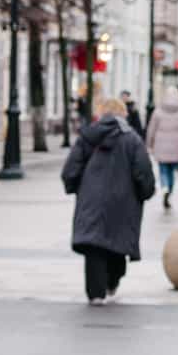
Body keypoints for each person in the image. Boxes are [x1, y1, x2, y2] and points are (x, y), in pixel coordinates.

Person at [63, 95, 156, 305]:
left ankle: (95, 293)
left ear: (101, 113)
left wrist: (75, 186)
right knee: (117, 245)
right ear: (124, 114)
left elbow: (71, 169)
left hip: (91, 199)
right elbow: (143, 172)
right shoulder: (132, 139)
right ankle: (112, 281)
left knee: (94, 245)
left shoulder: (88, 136)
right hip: (123, 202)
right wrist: (145, 191)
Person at [145, 87, 178, 209]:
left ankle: (164, 186)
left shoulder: (158, 110)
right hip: (177, 143)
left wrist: (149, 144)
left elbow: (151, 129)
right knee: (171, 170)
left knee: (163, 169)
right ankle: (169, 190)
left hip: (161, 142)